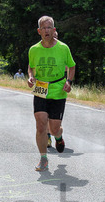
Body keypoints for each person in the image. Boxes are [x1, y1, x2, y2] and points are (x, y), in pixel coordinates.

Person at [27, 15, 75, 171]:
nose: (46, 31)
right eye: (43, 28)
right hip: (41, 89)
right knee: (41, 126)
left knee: (53, 129)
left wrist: (69, 82)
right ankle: (43, 159)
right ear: (38, 31)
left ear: (54, 30)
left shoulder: (63, 48)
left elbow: (72, 66)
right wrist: (31, 77)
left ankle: (58, 137)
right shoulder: (34, 49)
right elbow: (31, 66)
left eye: (49, 28)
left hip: (58, 91)